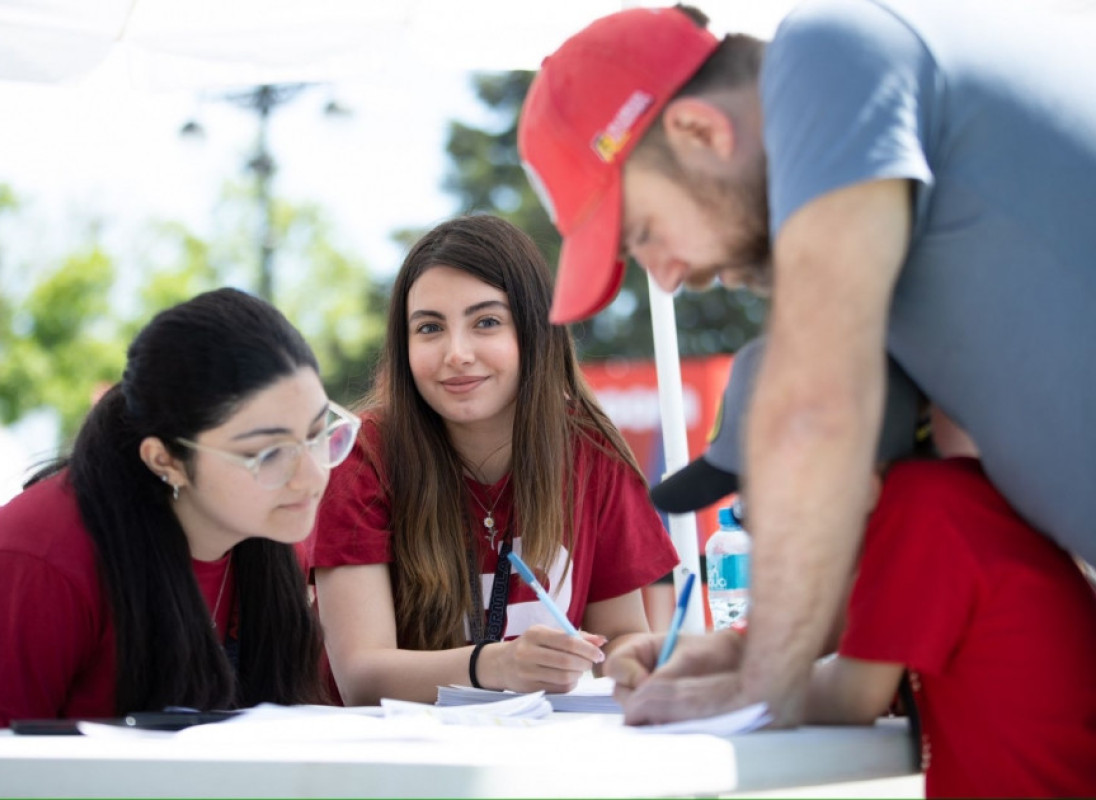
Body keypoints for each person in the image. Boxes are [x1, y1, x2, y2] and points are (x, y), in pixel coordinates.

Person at [517, 1, 1096, 725]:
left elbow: (817, 409)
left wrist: (764, 680)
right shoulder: (897, 238)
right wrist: (751, 652)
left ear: (699, 130)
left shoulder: (829, 49)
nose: (664, 277)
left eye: (644, 234)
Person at [610, 338, 1096, 797]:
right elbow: (808, 629)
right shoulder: (919, 510)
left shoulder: (929, 513)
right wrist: (698, 656)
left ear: (855, 478)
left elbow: (852, 697)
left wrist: (702, 701)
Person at [0, 287, 360, 731]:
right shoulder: (32, 558)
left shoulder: (269, 533)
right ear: (166, 459)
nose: (314, 475)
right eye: (269, 453)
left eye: (319, 435)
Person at [308, 214, 679, 705]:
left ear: (535, 333)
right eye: (429, 328)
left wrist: (635, 661)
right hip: (388, 767)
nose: (457, 353)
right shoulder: (364, 459)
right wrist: (499, 663)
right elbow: (361, 675)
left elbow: (621, 634)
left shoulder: (592, 454)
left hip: (538, 758)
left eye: (486, 322)